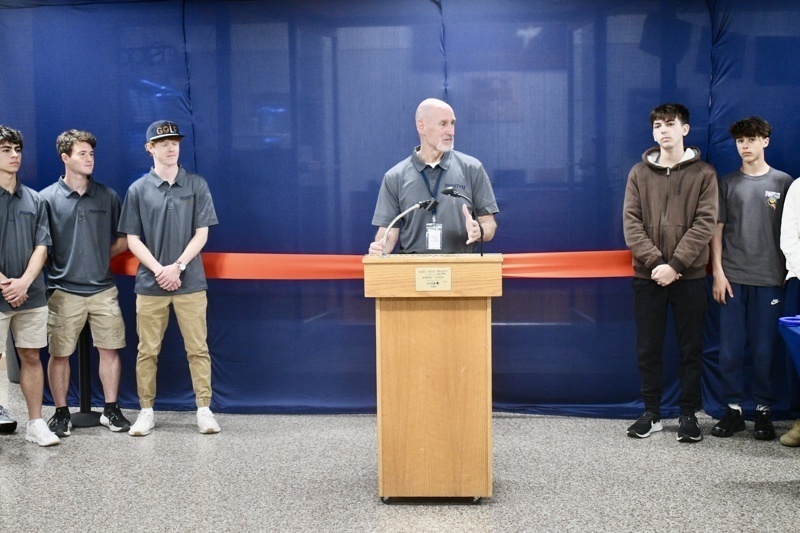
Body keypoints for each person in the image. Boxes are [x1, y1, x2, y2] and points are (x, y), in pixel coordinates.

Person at [622, 103, 718, 443]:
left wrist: (675, 266)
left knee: (690, 347)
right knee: (648, 347)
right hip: (647, 277)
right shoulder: (638, 173)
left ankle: (689, 413)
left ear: (684, 129)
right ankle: (651, 413)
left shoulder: (704, 174)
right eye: (658, 125)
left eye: (670, 124)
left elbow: (705, 223)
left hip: (689, 277)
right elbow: (631, 225)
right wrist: (655, 264)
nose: (664, 130)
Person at [118, 120, 220, 436]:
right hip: (151, 285)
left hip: (190, 283)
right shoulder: (137, 189)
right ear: (150, 147)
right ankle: (146, 411)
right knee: (147, 350)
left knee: (198, 348)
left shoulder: (196, 184)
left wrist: (177, 266)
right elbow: (132, 239)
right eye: (163, 143)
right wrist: (160, 270)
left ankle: (204, 409)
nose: (171, 147)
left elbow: (201, 233)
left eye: (174, 141)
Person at [40, 130, 131, 437]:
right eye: (82, 154)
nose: (89, 159)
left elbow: (124, 238)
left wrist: (100, 255)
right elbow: (41, 246)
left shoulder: (108, 196)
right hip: (63, 290)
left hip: (103, 288)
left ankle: (111, 409)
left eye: (91, 153)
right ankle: (61, 413)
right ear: (65, 158)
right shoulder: (46, 199)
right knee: (59, 353)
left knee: (110, 349)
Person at [710, 117, 792, 441]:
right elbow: (716, 231)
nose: (745, 146)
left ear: (765, 141)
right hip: (732, 278)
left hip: (770, 279)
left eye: (751, 139)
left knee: (763, 350)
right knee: (729, 350)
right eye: (740, 141)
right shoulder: (727, 183)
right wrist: (718, 272)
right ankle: (732, 410)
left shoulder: (784, 183)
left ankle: (763, 411)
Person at [369, 98, 498, 255]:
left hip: (462, 267)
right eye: (443, 124)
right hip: (412, 270)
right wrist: (381, 247)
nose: (451, 131)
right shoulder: (395, 177)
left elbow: (489, 223)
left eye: (452, 123)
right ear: (421, 126)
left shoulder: (472, 168)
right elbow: (388, 231)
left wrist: (480, 231)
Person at [0, 125, 60, 446]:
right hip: (1, 295)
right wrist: (5, 284)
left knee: (32, 356)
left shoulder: (35, 199)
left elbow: (42, 246)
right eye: (6, 150)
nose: (14, 156)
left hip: (31, 295)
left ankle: (35, 423)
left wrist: (23, 282)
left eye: (17, 150)